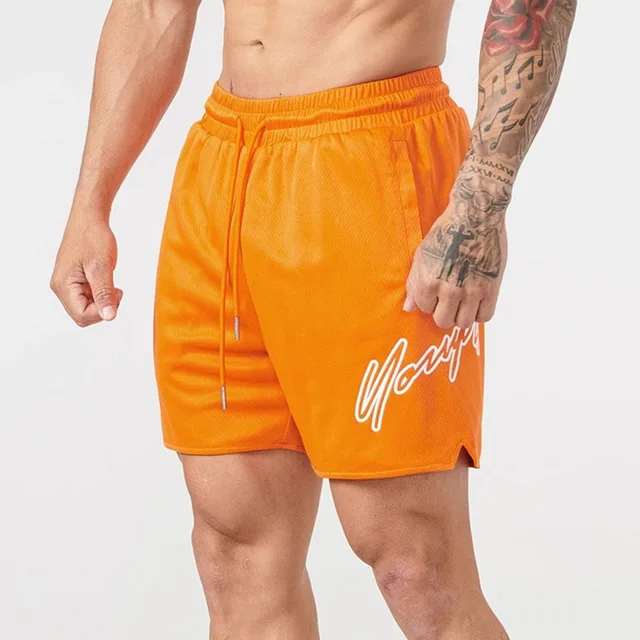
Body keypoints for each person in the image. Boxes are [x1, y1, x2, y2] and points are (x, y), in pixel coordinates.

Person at [50, 0, 577, 637]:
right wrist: (91, 202)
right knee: (234, 555)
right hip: (223, 168)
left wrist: (482, 198)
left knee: (416, 564)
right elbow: (152, 8)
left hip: (372, 157)